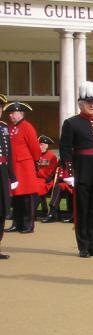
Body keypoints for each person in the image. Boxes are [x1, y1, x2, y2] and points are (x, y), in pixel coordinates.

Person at [59, 81, 93, 258]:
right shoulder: (71, 123)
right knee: (82, 210)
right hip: (82, 172)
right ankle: (83, 246)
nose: (92, 105)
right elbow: (65, 149)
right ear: (80, 104)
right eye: (88, 102)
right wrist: (69, 173)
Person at [4, 101, 40, 234]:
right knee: (16, 197)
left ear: (21, 113)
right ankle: (17, 223)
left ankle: (28, 224)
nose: (11, 116)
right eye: (10, 113)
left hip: (25, 166)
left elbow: (35, 148)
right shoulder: (10, 127)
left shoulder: (27, 127)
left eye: (13, 113)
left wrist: (36, 161)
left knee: (27, 197)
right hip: (14, 167)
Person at [0, 94, 18, 258]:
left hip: (3, 172)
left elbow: (9, 155)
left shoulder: (3, 127)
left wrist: (13, 177)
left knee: (3, 209)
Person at [35, 135, 58, 217]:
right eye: (39, 144)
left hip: (45, 180)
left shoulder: (51, 156)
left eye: (41, 144)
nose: (39, 146)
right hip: (35, 179)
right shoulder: (35, 155)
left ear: (46, 145)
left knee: (37, 187)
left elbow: (49, 172)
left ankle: (31, 212)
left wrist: (37, 171)